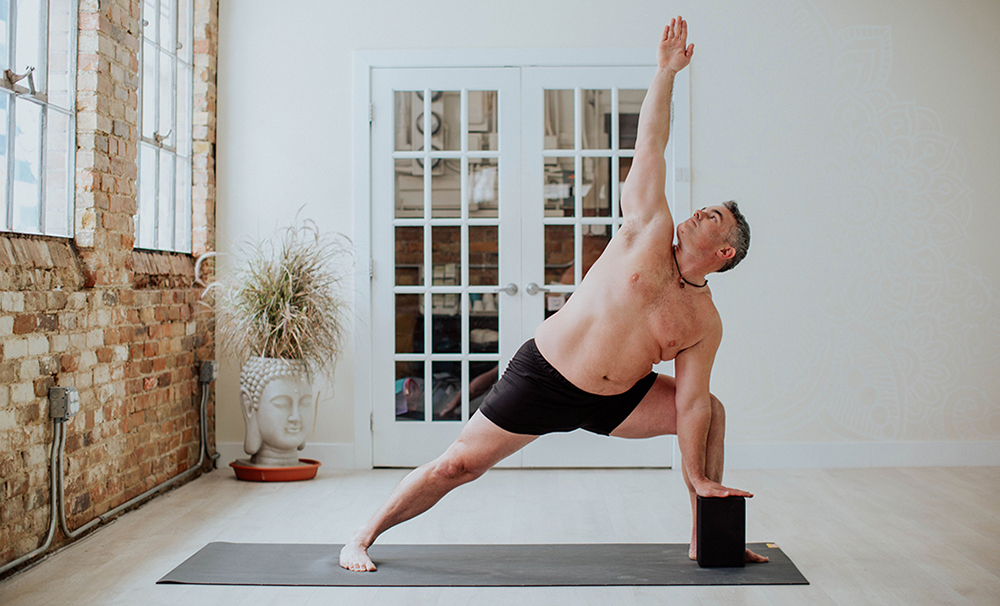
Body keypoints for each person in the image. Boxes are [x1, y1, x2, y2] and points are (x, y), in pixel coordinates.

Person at [341, 16, 767, 572]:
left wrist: (699, 477)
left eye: (710, 216)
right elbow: (652, 144)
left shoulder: (704, 322)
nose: (695, 212)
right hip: (545, 376)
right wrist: (665, 73)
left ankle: (704, 534)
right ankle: (362, 537)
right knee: (456, 467)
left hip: (617, 398)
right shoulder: (647, 228)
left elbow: (688, 404)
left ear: (724, 252)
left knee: (711, 409)